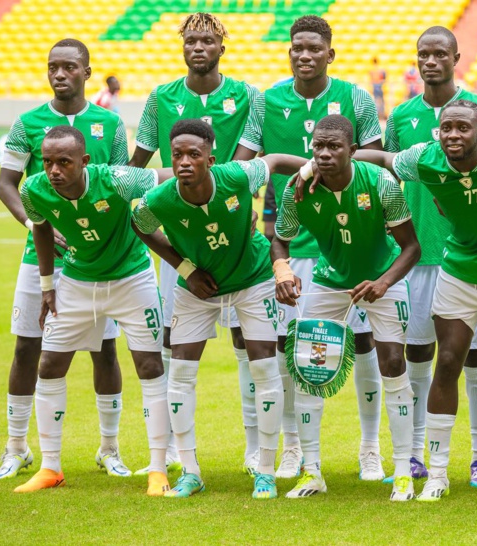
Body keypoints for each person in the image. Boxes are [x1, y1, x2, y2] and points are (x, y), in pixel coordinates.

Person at [348, 100, 477, 505]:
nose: (454, 135)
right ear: (437, 132)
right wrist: (310, 167)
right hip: (459, 274)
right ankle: (438, 474)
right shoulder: (424, 158)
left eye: (463, 128)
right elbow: (381, 157)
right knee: (446, 363)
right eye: (447, 128)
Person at [237, 15, 388, 481]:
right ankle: (293, 448)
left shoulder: (357, 97)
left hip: (352, 242)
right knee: (289, 348)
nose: (304, 55)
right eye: (296, 48)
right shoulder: (266, 101)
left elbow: (377, 159)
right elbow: (246, 163)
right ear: (290, 51)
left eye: (313, 48)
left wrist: (310, 169)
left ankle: (370, 448)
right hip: (290, 244)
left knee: (364, 343)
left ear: (329, 53)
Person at [132, 119, 308, 499]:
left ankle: (264, 470)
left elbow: (274, 159)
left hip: (253, 278)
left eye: (193, 154)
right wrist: (184, 268)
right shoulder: (160, 199)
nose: (183, 162)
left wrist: (311, 169)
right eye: (177, 154)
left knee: (264, 367)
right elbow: (140, 224)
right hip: (198, 288)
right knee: (179, 374)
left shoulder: (237, 175)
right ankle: (191, 472)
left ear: (210, 159)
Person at [129, 12, 262, 476]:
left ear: (222, 46)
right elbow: (137, 168)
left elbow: (241, 171)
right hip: (182, 244)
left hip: (236, 234)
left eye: (207, 40)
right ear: (181, 46)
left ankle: (253, 451)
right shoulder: (160, 97)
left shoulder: (248, 96)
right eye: (191, 41)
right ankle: (167, 450)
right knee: (172, 343)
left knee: (250, 343)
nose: (198, 47)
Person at [0, 39, 130, 481]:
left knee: (104, 350)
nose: (59, 74)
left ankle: (109, 448)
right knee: (26, 346)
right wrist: (37, 224)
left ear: (87, 72)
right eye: (53, 66)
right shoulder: (27, 122)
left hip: (97, 261)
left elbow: (122, 186)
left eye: (69, 67)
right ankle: (16, 447)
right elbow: (7, 184)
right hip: (41, 257)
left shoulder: (109, 123)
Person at [14, 126, 172, 495]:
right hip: (77, 281)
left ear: (85, 162)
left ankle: (158, 468)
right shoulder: (32, 188)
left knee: (149, 366)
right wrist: (47, 285)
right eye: (48, 161)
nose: (54, 170)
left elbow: (169, 176)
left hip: (131, 279)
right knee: (49, 365)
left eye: (64, 162)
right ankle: (51, 467)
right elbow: (40, 228)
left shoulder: (116, 179)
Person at [273, 115, 420, 500]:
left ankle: (402, 470)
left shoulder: (381, 183)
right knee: (310, 366)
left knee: (392, 363)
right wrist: (283, 271)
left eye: (334, 146)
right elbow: (280, 240)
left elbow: (411, 248)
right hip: (329, 282)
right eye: (318, 147)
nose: (324, 153)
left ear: (352, 151)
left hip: (383, 279)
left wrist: (384, 282)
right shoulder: (297, 191)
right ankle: (312, 471)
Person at [383, 26, 477, 486]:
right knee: (418, 355)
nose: (430, 62)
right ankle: (415, 450)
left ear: (456, 57)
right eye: (422, 55)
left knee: (474, 357)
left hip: (469, 256)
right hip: (416, 256)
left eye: (439, 54)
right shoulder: (401, 116)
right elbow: (390, 178)